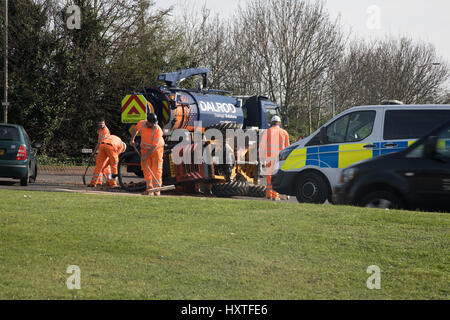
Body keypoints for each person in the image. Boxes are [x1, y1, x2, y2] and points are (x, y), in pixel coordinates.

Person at [130, 113, 165, 196]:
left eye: (155, 123)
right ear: (148, 122)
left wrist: (145, 156)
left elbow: (154, 146)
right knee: (146, 169)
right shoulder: (142, 123)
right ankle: (149, 189)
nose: (154, 125)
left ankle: (157, 189)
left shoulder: (158, 130)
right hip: (145, 149)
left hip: (157, 150)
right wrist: (132, 139)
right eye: (152, 123)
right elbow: (135, 130)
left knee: (156, 169)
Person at [260, 115, 290, 201]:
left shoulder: (267, 132)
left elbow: (262, 146)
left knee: (269, 177)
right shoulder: (284, 133)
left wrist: (261, 157)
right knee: (277, 176)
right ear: (279, 123)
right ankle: (275, 196)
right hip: (280, 158)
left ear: (271, 123)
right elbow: (288, 147)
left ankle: (269, 194)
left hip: (269, 158)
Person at [92, 118, 112, 185]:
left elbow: (103, 143)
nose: (101, 124)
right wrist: (94, 152)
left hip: (105, 151)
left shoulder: (105, 131)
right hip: (102, 151)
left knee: (102, 166)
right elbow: (99, 143)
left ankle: (110, 181)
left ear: (104, 123)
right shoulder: (100, 130)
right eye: (100, 123)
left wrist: (95, 152)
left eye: (102, 123)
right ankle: (100, 182)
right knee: (102, 166)